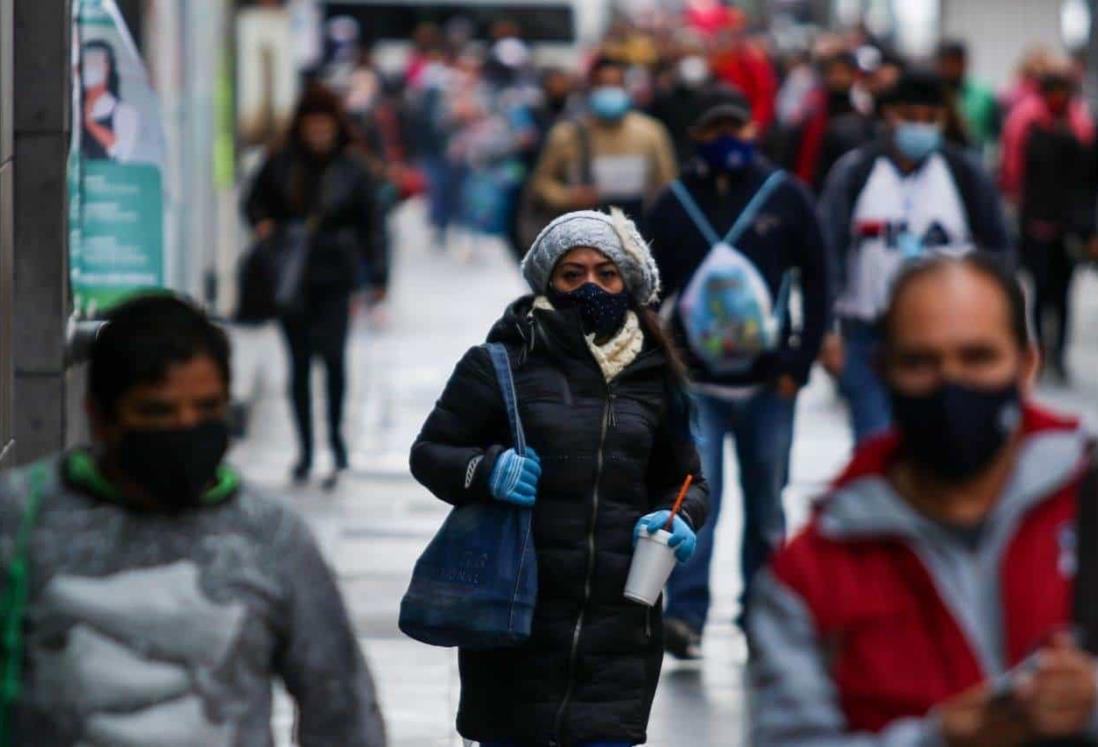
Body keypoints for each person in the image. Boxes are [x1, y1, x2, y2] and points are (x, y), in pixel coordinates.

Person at [0, 294, 386, 746]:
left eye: (206, 410)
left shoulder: (270, 537)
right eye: (157, 411)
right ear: (100, 417)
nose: (185, 428)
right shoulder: (19, 518)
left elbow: (340, 709)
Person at [749, 254, 1098, 746]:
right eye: (920, 363)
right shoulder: (811, 575)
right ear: (883, 371)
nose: (951, 385)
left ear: (1027, 365)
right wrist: (939, 739)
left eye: (977, 357)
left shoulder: (1086, 503)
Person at [409, 210, 709, 746]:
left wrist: (679, 515)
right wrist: (486, 471)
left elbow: (688, 481)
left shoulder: (655, 374)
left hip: (618, 629)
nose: (590, 285)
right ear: (548, 280)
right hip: (516, 621)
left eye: (606, 273)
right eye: (572, 274)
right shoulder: (501, 361)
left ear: (629, 284)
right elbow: (432, 452)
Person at [646, 87, 831, 658]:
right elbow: (649, 291)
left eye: (736, 126)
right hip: (697, 384)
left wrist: (799, 364)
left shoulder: (786, 197)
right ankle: (685, 615)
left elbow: (820, 280)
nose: (726, 139)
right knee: (699, 502)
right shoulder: (674, 202)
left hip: (769, 384)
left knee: (767, 505)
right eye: (713, 128)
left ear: (753, 130)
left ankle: (762, 615)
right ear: (695, 135)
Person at [818, 70, 1011, 444]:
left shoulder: (963, 174)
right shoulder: (856, 173)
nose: (919, 128)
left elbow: (998, 250)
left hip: (946, 335)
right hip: (868, 333)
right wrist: (828, 332)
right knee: (875, 444)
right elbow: (829, 252)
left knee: (939, 444)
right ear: (889, 116)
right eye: (910, 118)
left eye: (929, 120)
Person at [244, 85, 381, 486]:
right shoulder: (280, 162)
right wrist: (264, 226)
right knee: (299, 363)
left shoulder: (353, 168)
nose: (319, 135)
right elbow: (253, 202)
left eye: (325, 128)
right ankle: (305, 449)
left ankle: (336, 444)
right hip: (292, 276)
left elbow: (373, 223)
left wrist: (377, 277)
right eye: (312, 127)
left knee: (334, 360)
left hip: (335, 275)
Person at [1000, 59, 1096, 383]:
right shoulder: (1026, 124)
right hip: (1036, 222)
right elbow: (1013, 173)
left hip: (1070, 225)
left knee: (1064, 292)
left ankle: (1060, 354)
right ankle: (1039, 350)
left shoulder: (1080, 127)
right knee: (1040, 291)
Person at [529, 57, 677, 227]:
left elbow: (667, 183)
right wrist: (569, 197)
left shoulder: (650, 132)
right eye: (603, 84)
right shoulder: (567, 134)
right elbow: (541, 184)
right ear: (591, 88)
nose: (610, 91)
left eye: (615, 84)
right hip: (584, 229)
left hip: (636, 227)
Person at [936, 40, 1001, 156]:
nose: (952, 67)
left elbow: (995, 133)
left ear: (965, 62)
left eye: (957, 61)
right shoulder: (932, 94)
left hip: (974, 157)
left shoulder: (983, 94)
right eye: (947, 62)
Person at [80, 40, 139, 163]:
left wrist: (90, 123)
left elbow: (122, 153)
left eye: (95, 62)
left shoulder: (123, 111)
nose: (89, 67)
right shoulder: (73, 107)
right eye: (85, 62)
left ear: (108, 67)